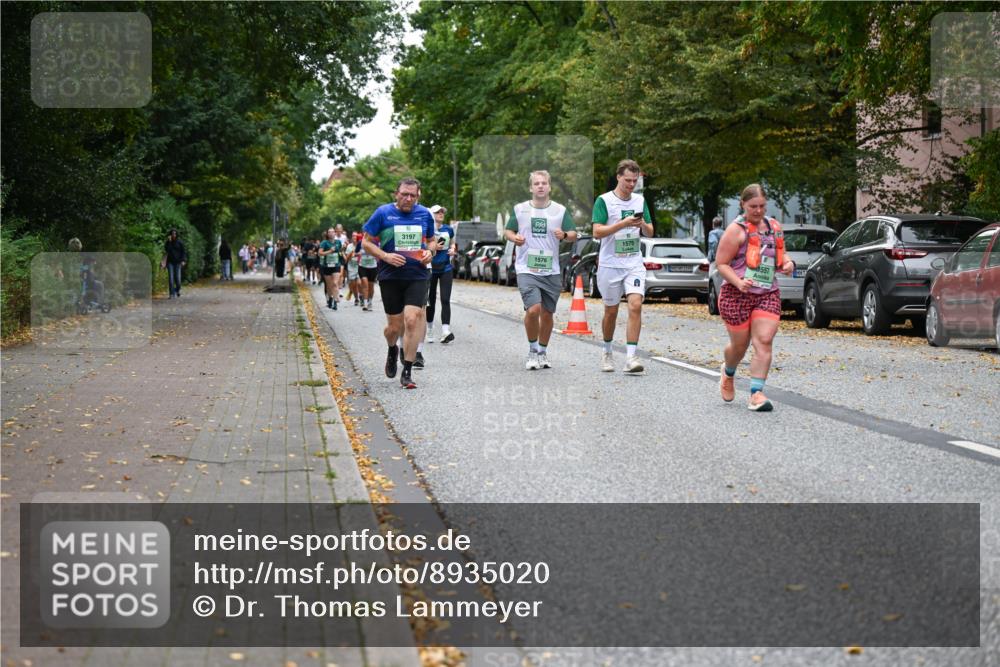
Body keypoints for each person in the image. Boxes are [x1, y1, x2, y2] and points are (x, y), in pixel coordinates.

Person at [715, 183, 795, 412]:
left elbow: (781, 254)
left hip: (766, 293)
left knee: (764, 340)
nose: (758, 211)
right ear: (743, 204)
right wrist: (738, 282)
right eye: (753, 206)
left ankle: (756, 394)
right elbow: (721, 264)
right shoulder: (735, 230)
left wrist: (788, 263)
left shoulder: (773, 227)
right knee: (739, 347)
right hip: (736, 295)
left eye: (762, 206)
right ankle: (728, 372)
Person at [362, 178, 434, 390]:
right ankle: (392, 348)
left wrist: (430, 252)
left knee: (412, 320)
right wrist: (385, 256)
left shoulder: (424, 214)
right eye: (404, 194)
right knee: (394, 328)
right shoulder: (383, 213)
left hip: (417, 275)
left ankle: (408, 371)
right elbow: (366, 242)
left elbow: (431, 240)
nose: (408, 198)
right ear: (397, 194)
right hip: (390, 276)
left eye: (412, 195)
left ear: (418, 196)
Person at [505, 171, 577, 370]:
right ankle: (532, 350)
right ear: (531, 188)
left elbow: (573, 234)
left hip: (551, 270)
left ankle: (542, 352)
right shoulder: (520, 209)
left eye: (544, 183)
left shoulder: (560, 210)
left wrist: (564, 235)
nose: (540, 186)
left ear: (549, 187)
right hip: (526, 268)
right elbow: (508, 230)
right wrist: (514, 238)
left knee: (547, 313)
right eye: (536, 183)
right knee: (533, 309)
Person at [592, 159, 653, 374]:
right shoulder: (604, 201)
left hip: (633, 263)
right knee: (611, 311)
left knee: (635, 305)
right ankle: (607, 351)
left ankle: (631, 357)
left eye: (634, 180)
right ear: (618, 177)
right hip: (610, 264)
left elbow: (650, 232)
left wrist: (641, 224)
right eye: (627, 180)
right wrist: (623, 224)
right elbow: (597, 232)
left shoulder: (639, 200)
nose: (631, 184)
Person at [426, 204, 457, 344]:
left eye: (442, 212)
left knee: (445, 299)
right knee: (430, 300)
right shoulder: (428, 230)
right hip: (431, 268)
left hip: (445, 268)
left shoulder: (448, 229)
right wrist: (433, 248)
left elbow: (453, 243)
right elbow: (422, 245)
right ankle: (429, 329)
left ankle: (446, 331)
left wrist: (452, 249)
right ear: (432, 215)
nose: (440, 214)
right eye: (437, 212)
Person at [318, 228, 343, 310]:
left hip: (336, 265)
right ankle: (330, 299)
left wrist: (343, 251)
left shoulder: (338, 242)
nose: (331, 233)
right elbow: (320, 253)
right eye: (329, 232)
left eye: (332, 232)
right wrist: (329, 251)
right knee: (329, 286)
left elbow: (340, 251)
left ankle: (335, 302)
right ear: (327, 234)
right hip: (327, 266)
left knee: (335, 283)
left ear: (335, 233)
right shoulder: (324, 243)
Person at [164, 229, 187, 298]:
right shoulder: (168, 242)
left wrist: (183, 260)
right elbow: (167, 250)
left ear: (176, 234)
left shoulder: (180, 242)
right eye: (172, 234)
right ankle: (171, 294)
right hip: (170, 262)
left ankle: (177, 290)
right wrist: (169, 242)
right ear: (170, 235)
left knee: (178, 280)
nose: (173, 235)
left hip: (178, 263)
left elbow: (183, 252)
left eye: (175, 234)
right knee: (171, 279)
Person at [357, 235, 378, 311]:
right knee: (365, 284)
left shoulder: (375, 242)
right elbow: (355, 253)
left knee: (371, 286)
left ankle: (370, 302)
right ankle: (365, 304)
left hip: (373, 267)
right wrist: (358, 253)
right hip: (362, 266)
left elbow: (379, 253)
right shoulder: (360, 243)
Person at [345, 233, 361, 305]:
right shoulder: (349, 246)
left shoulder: (361, 245)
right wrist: (352, 252)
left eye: (356, 236)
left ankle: (361, 296)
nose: (354, 237)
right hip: (351, 267)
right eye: (353, 236)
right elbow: (347, 259)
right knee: (353, 285)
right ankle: (356, 298)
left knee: (359, 283)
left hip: (360, 266)